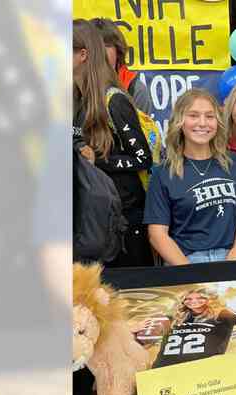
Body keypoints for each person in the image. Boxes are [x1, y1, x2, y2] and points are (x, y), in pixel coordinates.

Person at [73, 19, 154, 267]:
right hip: (89, 217)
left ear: (83, 55)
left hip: (124, 221)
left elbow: (143, 158)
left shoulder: (113, 100)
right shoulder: (75, 98)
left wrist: (97, 160)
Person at [143, 88, 236, 265]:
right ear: (180, 121)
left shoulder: (235, 164)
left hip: (231, 257)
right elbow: (157, 234)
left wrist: (234, 257)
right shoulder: (163, 173)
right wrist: (189, 273)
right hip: (185, 260)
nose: (202, 123)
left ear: (217, 122)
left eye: (210, 116)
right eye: (193, 115)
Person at [152, 288, 236, 368]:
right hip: (164, 370)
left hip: (204, 372)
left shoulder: (222, 313)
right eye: (188, 298)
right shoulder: (173, 315)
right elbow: (147, 339)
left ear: (209, 298)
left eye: (200, 297)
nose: (193, 302)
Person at [89, 17, 153, 116]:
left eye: (106, 45)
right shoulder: (73, 86)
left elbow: (141, 131)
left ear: (118, 50)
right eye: (94, 46)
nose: (99, 51)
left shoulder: (135, 89)